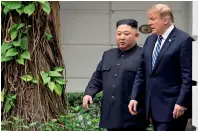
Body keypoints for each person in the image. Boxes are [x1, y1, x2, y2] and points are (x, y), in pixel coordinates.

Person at [128, 4, 194, 131]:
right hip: (152, 108)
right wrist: (134, 97)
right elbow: (142, 72)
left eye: (153, 19)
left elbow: (187, 76)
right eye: (149, 19)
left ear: (166, 20)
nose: (149, 23)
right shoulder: (150, 40)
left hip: (173, 107)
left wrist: (181, 102)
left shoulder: (184, 40)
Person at [82, 19, 148, 131]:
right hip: (111, 115)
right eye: (119, 34)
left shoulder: (143, 55)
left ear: (136, 36)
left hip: (132, 115)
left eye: (126, 34)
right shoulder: (108, 54)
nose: (122, 37)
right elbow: (98, 77)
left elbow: (148, 85)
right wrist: (89, 93)